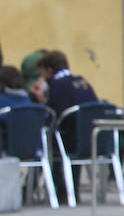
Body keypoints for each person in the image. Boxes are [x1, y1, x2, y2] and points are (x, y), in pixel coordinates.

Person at [35, 50, 99, 203]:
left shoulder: (58, 85)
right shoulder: (82, 82)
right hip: (93, 138)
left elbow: (54, 115)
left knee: (45, 141)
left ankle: (60, 192)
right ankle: (73, 190)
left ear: (49, 70)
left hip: (69, 140)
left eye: (43, 72)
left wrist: (40, 101)